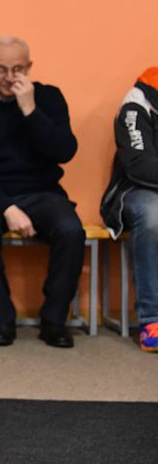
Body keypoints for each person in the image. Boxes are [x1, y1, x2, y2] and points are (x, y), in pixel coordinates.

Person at [0, 36, 83, 348]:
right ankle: (1, 319)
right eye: (0, 69)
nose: (10, 77)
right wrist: (7, 208)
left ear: (29, 67)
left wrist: (31, 111)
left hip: (41, 192)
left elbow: (65, 151)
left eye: (18, 69)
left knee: (71, 230)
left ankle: (54, 321)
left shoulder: (48, 98)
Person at [100, 67, 158, 352]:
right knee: (154, 217)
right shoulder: (138, 102)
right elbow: (139, 164)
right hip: (136, 191)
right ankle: (152, 319)